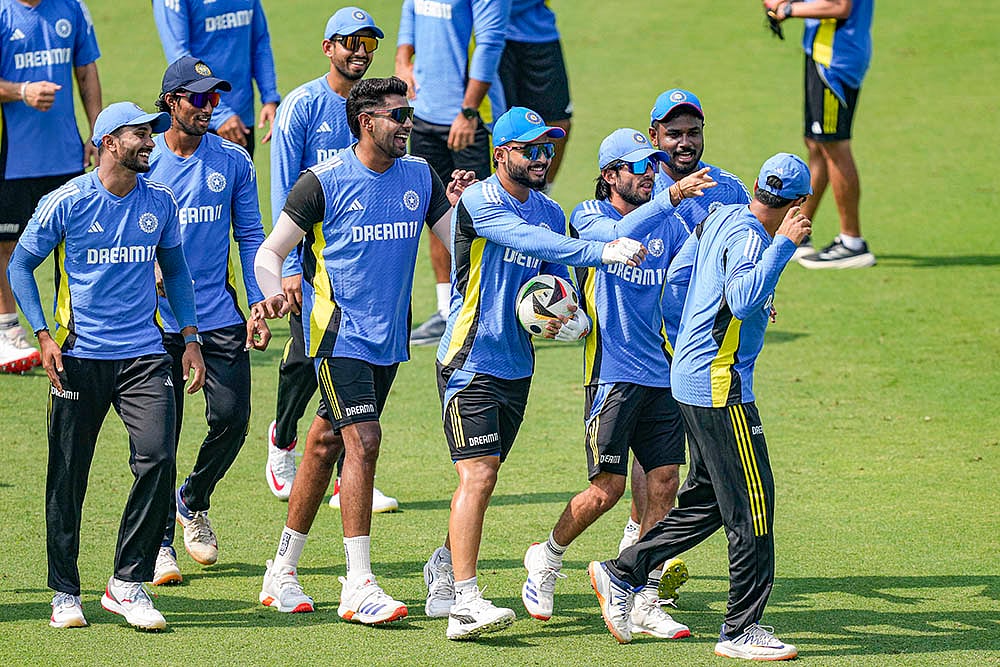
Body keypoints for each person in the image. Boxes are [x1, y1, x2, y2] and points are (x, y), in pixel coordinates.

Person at [252, 76, 474, 623]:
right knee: (365, 441)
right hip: (335, 336)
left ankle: (281, 571)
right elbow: (269, 252)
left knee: (326, 444)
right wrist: (273, 292)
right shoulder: (321, 183)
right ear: (365, 122)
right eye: (398, 116)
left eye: (409, 115)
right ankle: (358, 584)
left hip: (387, 340)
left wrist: (468, 208)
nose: (408, 125)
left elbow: (457, 238)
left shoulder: (420, 176)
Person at [421, 107, 648, 641]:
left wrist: (568, 314)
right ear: (501, 154)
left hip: (517, 366)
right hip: (468, 358)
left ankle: (442, 564)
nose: (543, 157)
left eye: (548, 148)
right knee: (478, 475)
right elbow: (531, 244)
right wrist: (602, 250)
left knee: (484, 474)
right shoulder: (479, 201)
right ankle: (466, 602)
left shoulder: (548, 210)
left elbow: (555, 274)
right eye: (531, 149)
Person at [588, 153, 812, 662]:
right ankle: (741, 628)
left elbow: (682, 281)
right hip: (720, 386)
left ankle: (622, 571)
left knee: (708, 502)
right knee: (753, 508)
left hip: (690, 379)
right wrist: (783, 248)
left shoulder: (726, 216)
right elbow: (744, 295)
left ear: (756, 186)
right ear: (800, 204)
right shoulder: (757, 237)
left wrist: (689, 333)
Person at [6, 101, 206, 631]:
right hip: (77, 357)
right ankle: (65, 592)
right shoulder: (66, 202)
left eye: (151, 134)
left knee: (159, 458)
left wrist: (189, 337)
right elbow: (20, 265)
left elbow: (177, 272)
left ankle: (126, 583)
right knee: (68, 476)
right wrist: (43, 335)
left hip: (143, 354)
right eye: (140, 134)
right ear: (108, 141)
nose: (151, 142)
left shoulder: (159, 202)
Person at [520, 128, 715, 638]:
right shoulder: (588, 216)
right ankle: (547, 556)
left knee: (664, 486)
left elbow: (693, 278)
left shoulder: (668, 225)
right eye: (637, 166)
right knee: (606, 489)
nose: (649, 172)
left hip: (661, 374)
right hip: (611, 375)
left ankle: (644, 595)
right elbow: (615, 237)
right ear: (610, 175)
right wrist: (670, 199)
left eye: (653, 164)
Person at [146, 56, 281, 586]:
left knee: (232, 419)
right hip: (154, 323)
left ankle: (192, 500)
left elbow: (250, 235)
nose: (210, 108)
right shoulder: (143, 158)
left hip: (219, 315)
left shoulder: (233, 161)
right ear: (171, 102)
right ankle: (158, 543)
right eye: (199, 99)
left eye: (215, 99)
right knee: (161, 437)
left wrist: (258, 301)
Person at [265, 6, 398, 515]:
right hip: (313, 259)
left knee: (361, 369)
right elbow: (286, 190)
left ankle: (350, 474)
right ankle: (283, 441)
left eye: (368, 42)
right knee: (303, 359)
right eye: (350, 41)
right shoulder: (300, 106)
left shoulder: (383, 107)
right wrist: (291, 268)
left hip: (363, 260)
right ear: (329, 48)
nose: (360, 50)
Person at [617, 89, 753, 582]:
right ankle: (639, 546)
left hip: (702, 346)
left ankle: (639, 555)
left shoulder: (728, 189)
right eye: (673, 133)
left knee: (680, 468)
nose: (684, 142)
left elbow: (749, 250)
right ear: (654, 135)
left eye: (692, 132)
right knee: (660, 461)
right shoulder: (641, 189)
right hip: (647, 345)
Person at [395, 0, 510, 347]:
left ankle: (491, 310)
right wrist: (403, 62)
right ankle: (447, 311)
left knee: (484, 214)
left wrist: (468, 109)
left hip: (470, 118)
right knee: (436, 209)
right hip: (425, 116)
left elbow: (489, 42)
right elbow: (409, 16)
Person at [0, 0, 102, 373]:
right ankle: (8, 331)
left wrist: (97, 131)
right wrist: (21, 91)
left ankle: (74, 330)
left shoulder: (71, 8)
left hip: (65, 154)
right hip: (10, 157)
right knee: (5, 246)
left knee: (74, 244)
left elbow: (86, 70)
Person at [763, 0, 875, 268]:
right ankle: (798, 234)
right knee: (816, 144)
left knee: (834, 145)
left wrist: (789, 10)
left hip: (835, 61)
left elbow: (838, 6)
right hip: (821, 53)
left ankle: (852, 243)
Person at [152, 0, 280, 157]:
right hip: (195, 117)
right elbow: (179, 58)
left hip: (240, 120)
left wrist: (270, 98)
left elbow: (260, 42)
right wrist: (221, 115)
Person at [497, 0, 572, 186]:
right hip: (489, 36)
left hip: (537, 32)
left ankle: (541, 192)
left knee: (558, 122)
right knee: (497, 125)